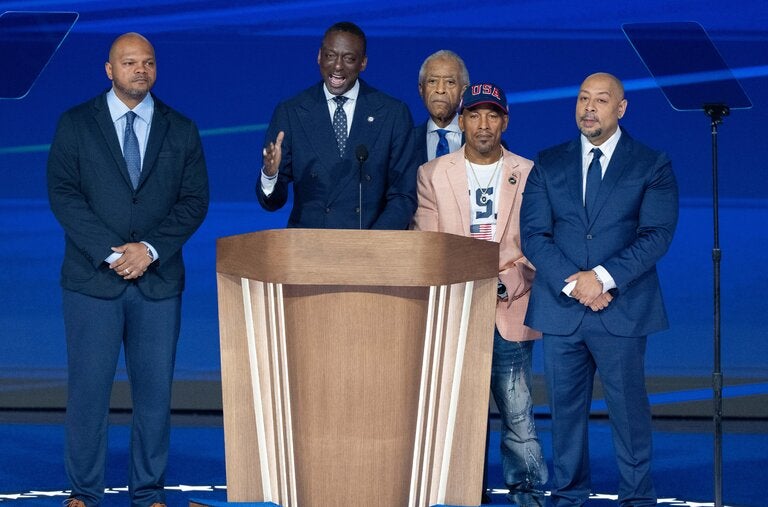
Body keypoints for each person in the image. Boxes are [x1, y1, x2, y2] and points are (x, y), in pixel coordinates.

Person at [47, 32, 209, 507]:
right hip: (92, 281)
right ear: (109, 69)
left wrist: (150, 249)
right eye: (130, 62)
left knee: (155, 396)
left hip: (158, 284)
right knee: (88, 394)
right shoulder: (76, 123)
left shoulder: (181, 128)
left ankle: (148, 493)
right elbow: (64, 194)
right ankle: (84, 493)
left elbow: (194, 200)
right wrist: (113, 253)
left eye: (148, 62)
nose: (140, 70)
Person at [520, 72, 678, 506]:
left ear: (621, 108)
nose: (589, 107)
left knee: (629, 414)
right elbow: (535, 235)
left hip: (622, 309)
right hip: (561, 311)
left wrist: (602, 278)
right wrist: (579, 286)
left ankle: (637, 499)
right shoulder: (548, 163)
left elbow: (656, 235)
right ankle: (569, 495)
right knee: (565, 416)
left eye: (601, 100)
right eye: (583, 98)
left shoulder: (651, 163)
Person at [412, 82, 548, 506]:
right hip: (454, 310)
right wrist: (466, 283)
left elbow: (539, 243)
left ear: (505, 121)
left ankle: (527, 492)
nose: (483, 124)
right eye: (474, 115)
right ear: (461, 120)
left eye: (492, 115)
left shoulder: (529, 173)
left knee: (518, 412)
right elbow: (427, 244)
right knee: (450, 414)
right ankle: (452, 492)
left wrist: (511, 280)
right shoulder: (433, 174)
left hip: (508, 308)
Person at [257, 21, 418, 229]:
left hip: (370, 249)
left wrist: (373, 244)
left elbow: (403, 195)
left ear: (363, 63)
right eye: (330, 56)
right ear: (319, 57)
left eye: (349, 58)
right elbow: (272, 203)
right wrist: (270, 174)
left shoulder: (393, 114)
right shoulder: (291, 112)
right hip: (310, 249)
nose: (338, 66)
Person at [413, 50, 469, 164]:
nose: (440, 90)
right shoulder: (406, 142)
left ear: (463, 91)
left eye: (450, 82)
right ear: (421, 89)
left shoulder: (483, 142)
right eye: (432, 81)